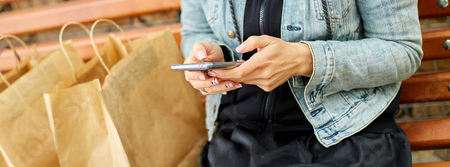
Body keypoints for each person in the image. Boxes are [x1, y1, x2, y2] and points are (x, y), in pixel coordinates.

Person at [180, 0, 422, 166]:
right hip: (239, 139)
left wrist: (306, 59)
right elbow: (195, 32)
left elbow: (402, 50)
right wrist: (211, 57)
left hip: (347, 135)